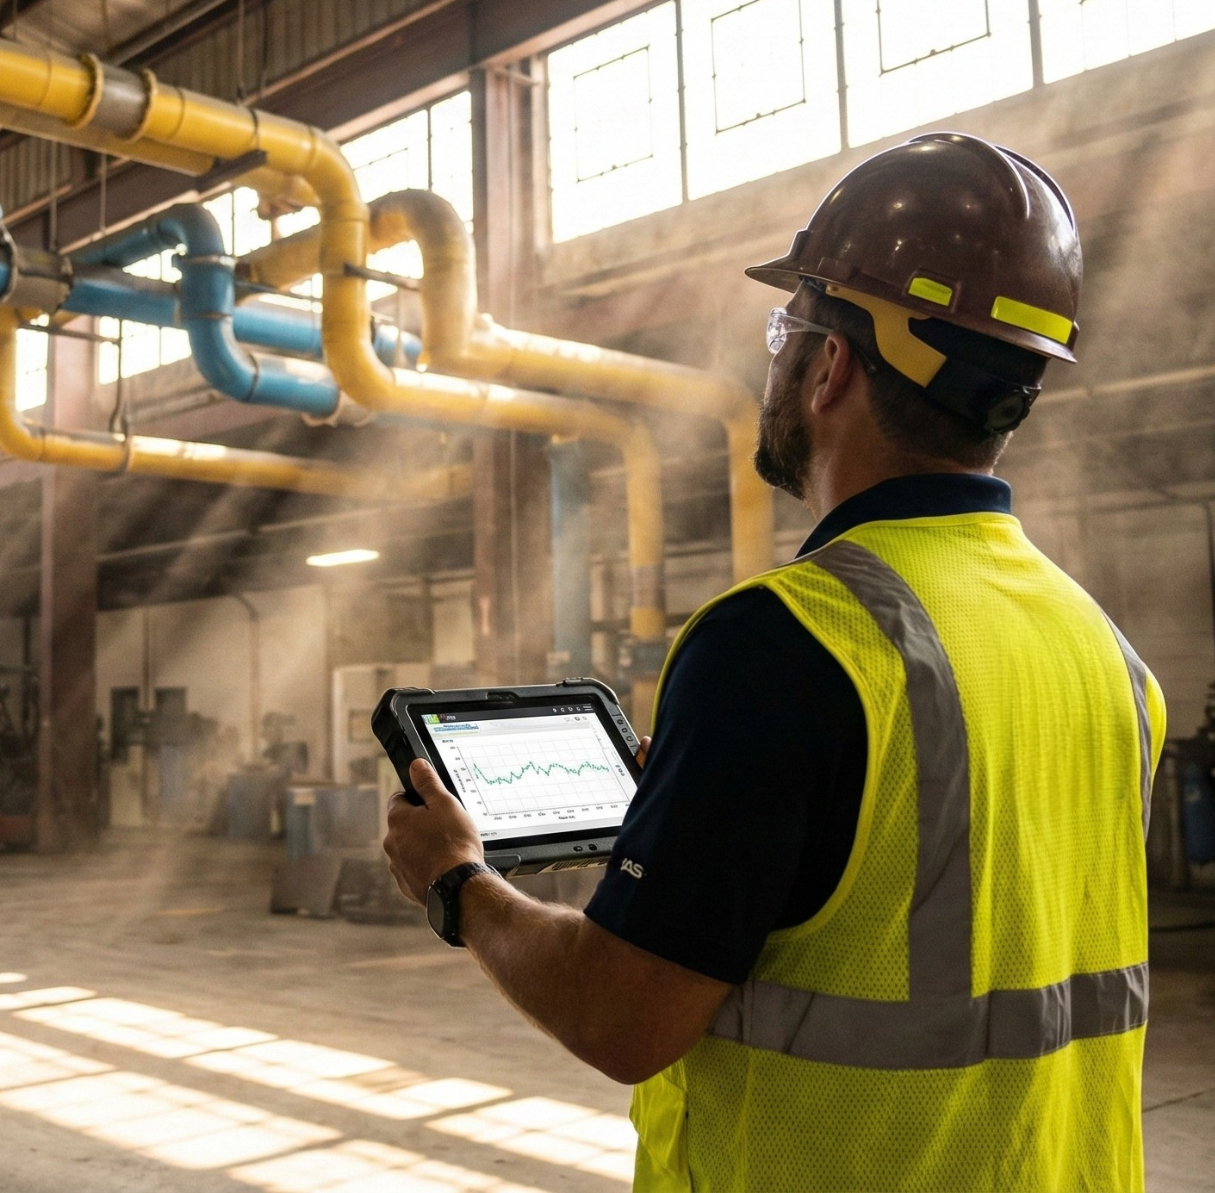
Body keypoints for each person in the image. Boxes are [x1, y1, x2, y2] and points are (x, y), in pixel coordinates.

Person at [383, 133, 1165, 1191]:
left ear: (831, 365)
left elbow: (624, 1017)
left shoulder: (783, 643)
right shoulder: (1104, 651)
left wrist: (458, 884)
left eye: (786, 328)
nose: (779, 355)